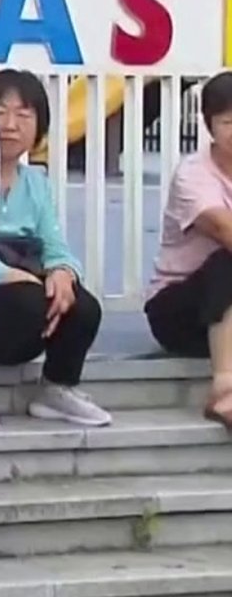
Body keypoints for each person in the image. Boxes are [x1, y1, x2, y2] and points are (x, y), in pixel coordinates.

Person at [0, 68, 111, 430]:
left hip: (20, 302)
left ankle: (56, 389)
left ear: (39, 128)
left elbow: (54, 241)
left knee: (81, 305)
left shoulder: (36, 182)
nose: (10, 125)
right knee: (27, 298)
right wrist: (10, 275)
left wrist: (63, 272)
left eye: (24, 115)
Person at [145, 70, 232, 429]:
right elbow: (226, 231)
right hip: (179, 312)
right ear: (210, 126)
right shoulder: (194, 174)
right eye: (229, 121)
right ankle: (225, 388)